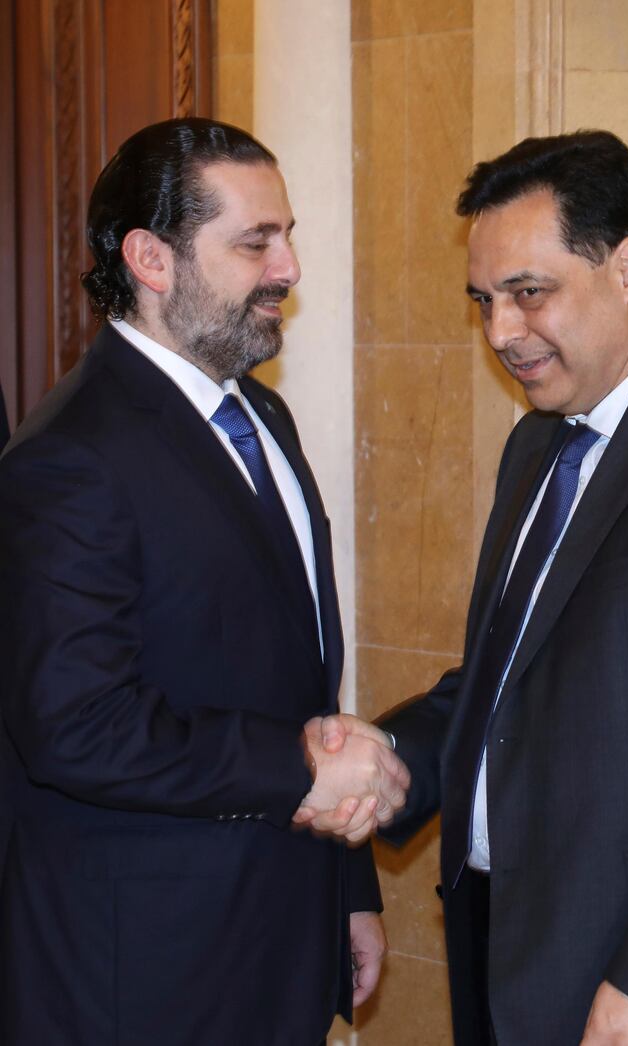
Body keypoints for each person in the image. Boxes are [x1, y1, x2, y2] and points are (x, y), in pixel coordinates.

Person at [309, 131, 628, 1044]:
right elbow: (507, 683)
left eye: (529, 294)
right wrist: (392, 757)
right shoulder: (538, 443)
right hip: (505, 949)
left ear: (627, 268)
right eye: (484, 301)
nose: (500, 333)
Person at [0, 117, 409, 1046]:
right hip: (148, 975)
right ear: (151, 257)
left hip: (280, 939)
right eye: (255, 241)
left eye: (289, 234)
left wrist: (345, 885)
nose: (289, 267)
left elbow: (301, 682)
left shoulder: (259, 412)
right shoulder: (68, 457)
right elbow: (75, 725)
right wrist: (303, 768)